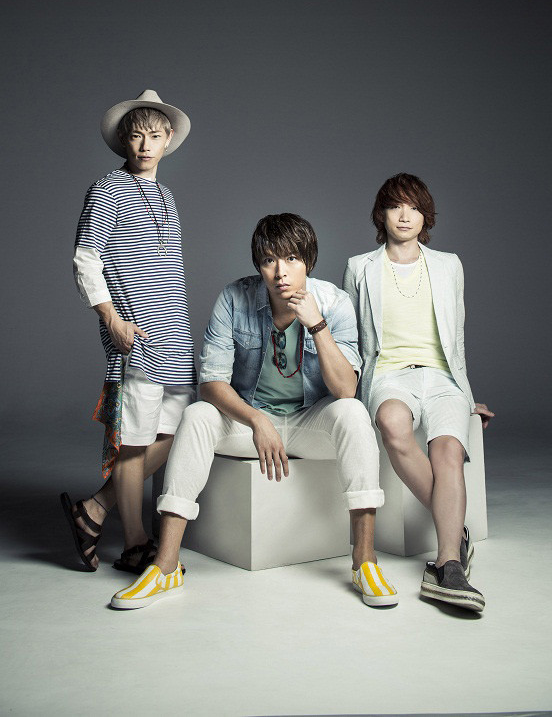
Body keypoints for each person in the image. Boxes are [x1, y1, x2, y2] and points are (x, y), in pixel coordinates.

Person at [110, 213, 398, 609]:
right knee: (197, 415)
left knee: (353, 413)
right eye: (269, 260)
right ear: (258, 265)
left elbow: (345, 389)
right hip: (250, 423)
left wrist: (316, 325)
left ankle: (364, 561)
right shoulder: (234, 298)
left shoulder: (334, 302)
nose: (281, 272)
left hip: (309, 422)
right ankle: (165, 565)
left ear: (308, 260)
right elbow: (211, 383)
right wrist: (257, 419)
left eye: (292, 258)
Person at [343, 173, 494, 612]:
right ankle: (457, 531)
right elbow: (353, 339)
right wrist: (348, 396)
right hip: (390, 375)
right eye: (395, 206)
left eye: (413, 207)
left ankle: (448, 564)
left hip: (443, 378)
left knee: (448, 452)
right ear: (381, 215)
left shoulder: (449, 265)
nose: (405, 215)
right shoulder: (360, 267)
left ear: (426, 214)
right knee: (392, 424)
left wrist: (465, 394)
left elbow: (456, 339)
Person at [61, 90, 197, 574]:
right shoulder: (107, 188)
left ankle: (94, 510)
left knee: (175, 434)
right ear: (123, 139)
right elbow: (85, 259)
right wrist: (111, 319)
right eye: (136, 135)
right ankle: (136, 542)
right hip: (135, 335)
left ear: (168, 139)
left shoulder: (168, 197)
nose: (144, 145)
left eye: (154, 136)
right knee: (135, 441)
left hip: (175, 336)